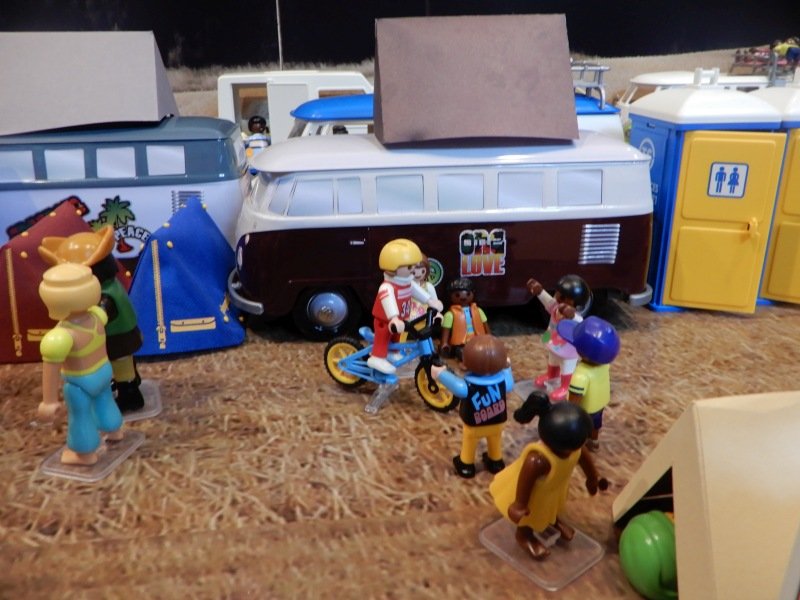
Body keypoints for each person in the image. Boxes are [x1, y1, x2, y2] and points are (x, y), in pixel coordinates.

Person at [39, 226, 145, 412]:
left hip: (119, 338)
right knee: (121, 363)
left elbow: (98, 318)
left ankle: (130, 393)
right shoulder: (107, 286)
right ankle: (128, 382)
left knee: (121, 363)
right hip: (116, 336)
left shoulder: (105, 295)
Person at [491, 392, 602, 560]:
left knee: (552, 507)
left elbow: (585, 460)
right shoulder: (539, 460)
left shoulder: (576, 448)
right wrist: (519, 504)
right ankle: (524, 535)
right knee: (530, 516)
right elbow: (526, 480)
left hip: (554, 489)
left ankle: (552, 521)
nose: (578, 448)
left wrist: (593, 478)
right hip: (533, 495)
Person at [38, 263, 124, 465]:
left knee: (80, 415)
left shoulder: (61, 336)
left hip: (80, 383)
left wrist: (49, 402)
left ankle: (84, 454)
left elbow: (51, 370)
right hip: (103, 372)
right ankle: (115, 431)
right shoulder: (97, 316)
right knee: (105, 401)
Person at [432, 335, 514, 479]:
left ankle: (466, 464)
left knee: (469, 443)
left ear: (465, 364)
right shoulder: (503, 381)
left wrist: (440, 374)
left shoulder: (468, 385)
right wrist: (507, 368)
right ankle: (496, 461)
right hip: (497, 421)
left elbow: (457, 387)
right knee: (495, 440)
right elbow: (510, 383)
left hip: (475, 424)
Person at [369, 239, 443, 374]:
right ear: (393, 268)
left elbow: (418, 292)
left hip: (401, 320)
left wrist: (430, 301)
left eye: (414, 266)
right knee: (383, 337)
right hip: (385, 321)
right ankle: (377, 357)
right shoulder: (387, 287)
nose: (414, 270)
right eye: (410, 267)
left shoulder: (407, 282)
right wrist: (394, 318)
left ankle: (393, 351)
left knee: (396, 337)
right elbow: (388, 301)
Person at [557, 316, 620, 451]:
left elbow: (573, 403)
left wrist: (568, 416)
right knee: (596, 424)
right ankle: (594, 442)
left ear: (584, 353)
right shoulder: (604, 364)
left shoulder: (581, 375)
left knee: (582, 428)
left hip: (585, 410)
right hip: (599, 404)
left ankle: (578, 446)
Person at [527, 275, 591, 401]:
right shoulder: (555, 307)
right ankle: (551, 375)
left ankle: (566, 386)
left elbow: (580, 322)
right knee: (553, 360)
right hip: (554, 342)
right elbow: (548, 301)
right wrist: (540, 291)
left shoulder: (576, 317)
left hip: (568, 349)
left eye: (563, 297)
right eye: (558, 294)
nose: (558, 298)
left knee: (566, 367)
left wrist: (572, 315)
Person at [408, 254, 439, 320]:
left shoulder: (428, 286)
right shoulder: (405, 286)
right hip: (408, 320)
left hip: (425, 319)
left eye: (422, 271)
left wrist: (437, 314)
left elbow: (435, 304)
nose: (418, 274)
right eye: (413, 272)